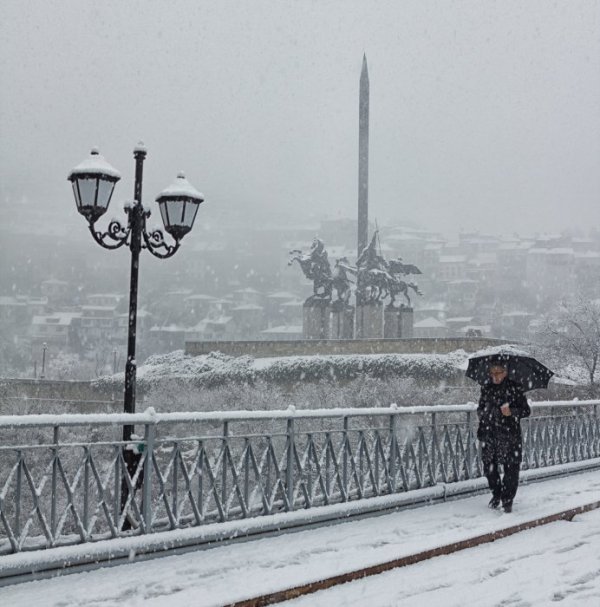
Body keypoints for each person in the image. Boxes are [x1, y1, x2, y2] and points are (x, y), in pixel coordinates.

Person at [477, 363, 531, 513]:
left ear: (505, 372)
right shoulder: (486, 388)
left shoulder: (515, 388)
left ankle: (507, 500)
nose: (495, 376)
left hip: (509, 435)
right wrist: (484, 413)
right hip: (489, 433)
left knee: (511, 469)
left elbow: (526, 410)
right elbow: (480, 408)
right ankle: (497, 494)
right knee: (489, 468)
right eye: (492, 373)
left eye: (498, 372)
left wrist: (511, 412)